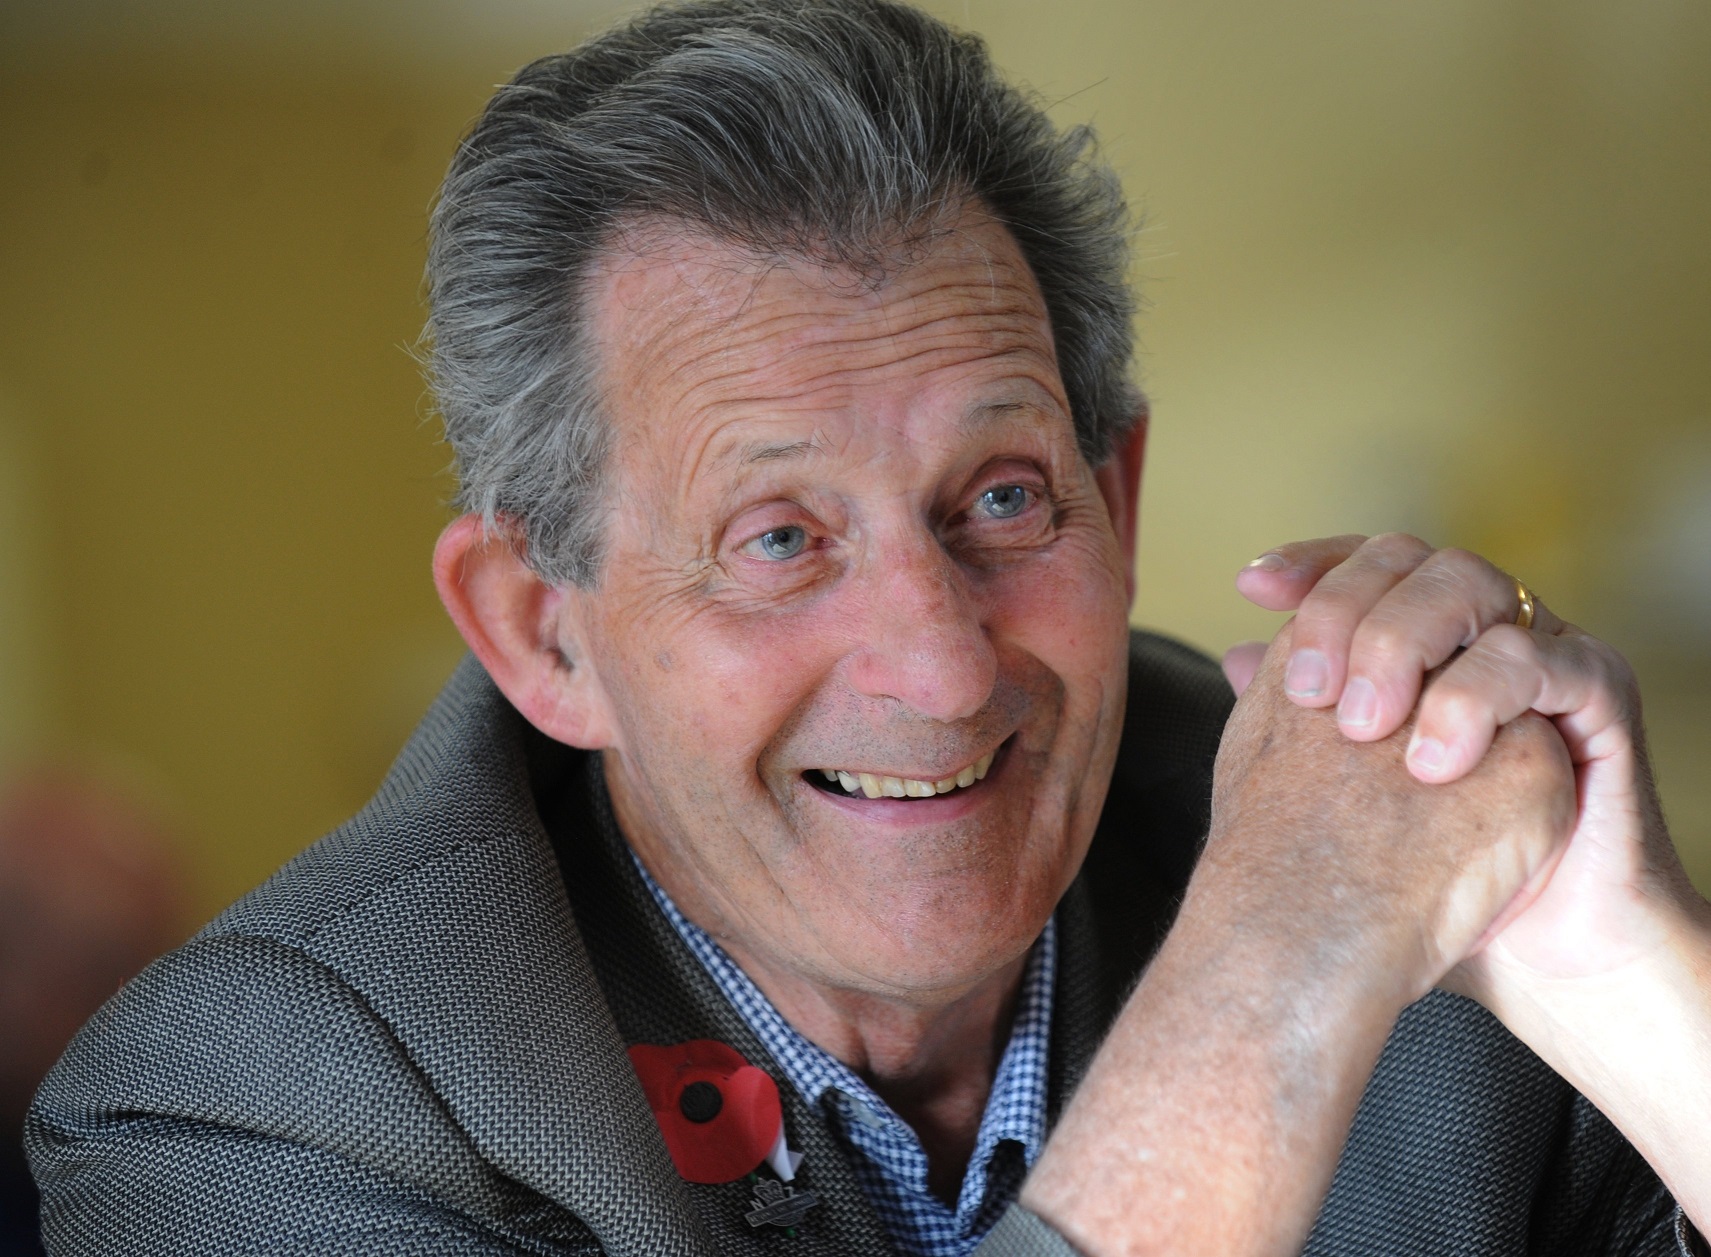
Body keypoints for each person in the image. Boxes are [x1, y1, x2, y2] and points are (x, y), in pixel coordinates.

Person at [26, 1, 1711, 1253]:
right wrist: (1278, 968)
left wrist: (1618, 967)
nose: (945, 662)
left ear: (1115, 509)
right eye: (777, 538)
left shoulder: (1406, 875)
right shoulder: (257, 1100)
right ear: (544, 631)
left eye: (999, 500)